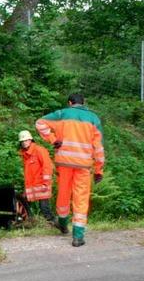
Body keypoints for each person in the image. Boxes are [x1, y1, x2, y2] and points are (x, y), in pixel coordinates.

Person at [35, 94, 105, 247]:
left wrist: (54, 140)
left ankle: (62, 224)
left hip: (64, 162)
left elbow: (40, 123)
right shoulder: (93, 118)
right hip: (83, 165)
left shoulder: (62, 114)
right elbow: (98, 148)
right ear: (83, 102)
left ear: (70, 103)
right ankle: (78, 237)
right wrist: (99, 169)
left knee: (63, 193)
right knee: (80, 198)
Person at [18, 130, 56, 224]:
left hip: (42, 184)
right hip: (32, 186)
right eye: (22, 141)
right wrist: (26, 189)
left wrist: (46, 184)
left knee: (45, 209)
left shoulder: (39, 150)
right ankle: (28, 222)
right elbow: (28, 174)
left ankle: (59, 225)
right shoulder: (25, 154)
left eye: (26, 140)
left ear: (31, 140)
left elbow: (47, 167)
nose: (24, 143)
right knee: (24, 204)